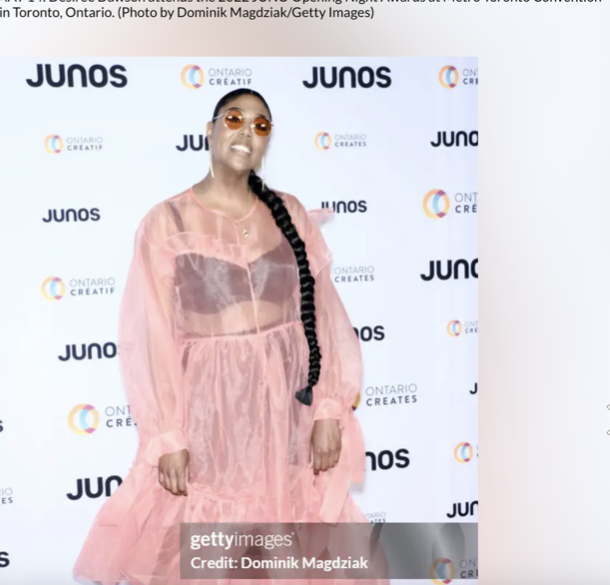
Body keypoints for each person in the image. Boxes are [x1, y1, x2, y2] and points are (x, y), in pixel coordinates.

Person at [73, 89, 385, 585]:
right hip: (211, 418)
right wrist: (167, 434)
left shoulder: (290, 212)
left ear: (268, 142)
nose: (247, 131)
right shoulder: (166, 222)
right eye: (235, 118)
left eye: (261, 125)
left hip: (290, 415)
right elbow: (150, 337)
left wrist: (328, 408)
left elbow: (325, 317)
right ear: (210, 129)